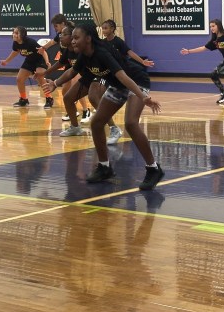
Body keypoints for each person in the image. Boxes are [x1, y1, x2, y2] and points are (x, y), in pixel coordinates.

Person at [43, 24, 164, 190]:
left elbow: (123, 76)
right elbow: (71, 72)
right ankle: (104, 167)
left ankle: (153, 169)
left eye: (76, 38)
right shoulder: (85, 55)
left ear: (88, 38)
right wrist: (55, 83)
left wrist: (144, 97)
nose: (73, 41)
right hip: (117, 84)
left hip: (135, 81)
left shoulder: (102, 53)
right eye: (72, 38)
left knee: (130, 123)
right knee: (97, 123)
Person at [40, 15, 91, 123]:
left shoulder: (74, 34)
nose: (55, 29)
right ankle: (72, 110)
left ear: (63, 23)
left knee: (76, 85)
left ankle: (86, 110)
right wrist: (43, 48)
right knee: (65, 90)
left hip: (80, 63)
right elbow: (53, 43)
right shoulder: (61, 37)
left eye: (56, 26)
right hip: (68, 61)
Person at [0, 26, 53, 109]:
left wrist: (47, 62)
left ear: (22, 34)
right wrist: (6, 61)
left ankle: (49, 98)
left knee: (40, 77)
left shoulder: (30, 42)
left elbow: (43, 51)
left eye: (16, 33)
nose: (14, 34)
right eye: (13, 32)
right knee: (19, 79)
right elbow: (15, 52)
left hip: (40, 59)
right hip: (30, 60)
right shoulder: (16, 43)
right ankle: (24, 99)